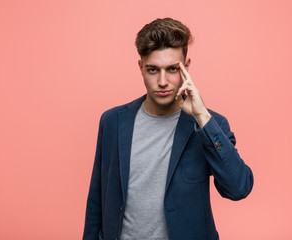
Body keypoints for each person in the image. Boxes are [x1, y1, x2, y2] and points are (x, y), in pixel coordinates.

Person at [83, 17, 253, 240]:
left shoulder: (210, 125)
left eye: (172, 69)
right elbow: (97, 199)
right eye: (153, 70)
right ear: (141, 67)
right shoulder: (113, 121)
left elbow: (238, 188)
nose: (163, 81)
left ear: (186, 67)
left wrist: (202, 117)